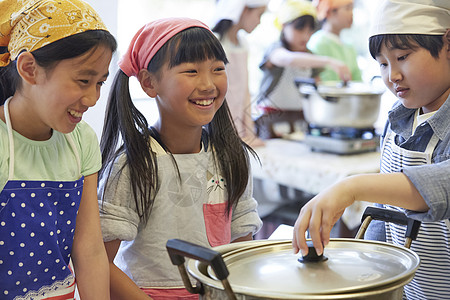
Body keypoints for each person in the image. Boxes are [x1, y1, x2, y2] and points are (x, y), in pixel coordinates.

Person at [292, 0, 450, 299]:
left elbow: (444, 182)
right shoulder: (399, 117)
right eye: (383, 63)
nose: (392, 75)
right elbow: (387, 214)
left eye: (402, 57)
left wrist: (352, 186)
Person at [98, 18, 262, 299]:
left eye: (218, 69)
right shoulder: (133, 167)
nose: (208, 84)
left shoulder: (233, 157)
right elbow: (99, 262)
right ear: (149, 83)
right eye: (191, 71)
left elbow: (241, 251)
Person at [0, 0, 117, 299]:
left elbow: (89, 248)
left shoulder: (82, 141)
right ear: (29, 69)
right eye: (83, 80)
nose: (93, 98)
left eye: (100, 83)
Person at [254, 0, 352, 139]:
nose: (306, 36)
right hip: (269, 122)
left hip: (300, 122)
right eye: (299, 29)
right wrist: (328, 61)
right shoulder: (275, 49)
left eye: (310, 30)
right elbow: (287, 59)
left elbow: (317, 91)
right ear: (283, 26)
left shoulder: (311, 57)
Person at [211, 0, 268, 147]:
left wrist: (248, 133)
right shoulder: (216, 42)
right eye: (259, 15)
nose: (259, 22)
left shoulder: (243, 43)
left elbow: (245, 92)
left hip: (239, 126)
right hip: (218, 124)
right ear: (244, 10)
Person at [308, 0, 362, 82]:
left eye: (352, 8)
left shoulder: (349, 45)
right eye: (348, 8)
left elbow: (358, 80)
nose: (352, 13)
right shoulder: (318, 43)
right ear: (330, 12)